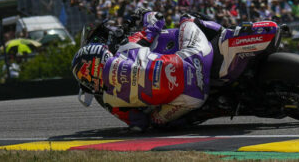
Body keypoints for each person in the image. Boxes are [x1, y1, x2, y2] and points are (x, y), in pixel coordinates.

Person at [72, 10, 213, 131]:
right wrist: (146, 13)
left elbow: (140, 123)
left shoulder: (111, 102)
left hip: (194, 98)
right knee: (187, 18)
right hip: (196, 59)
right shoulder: (125, 48)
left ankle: (198, 115)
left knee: (156, 122)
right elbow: (156, 21)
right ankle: (222, 31)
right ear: (102, 51)